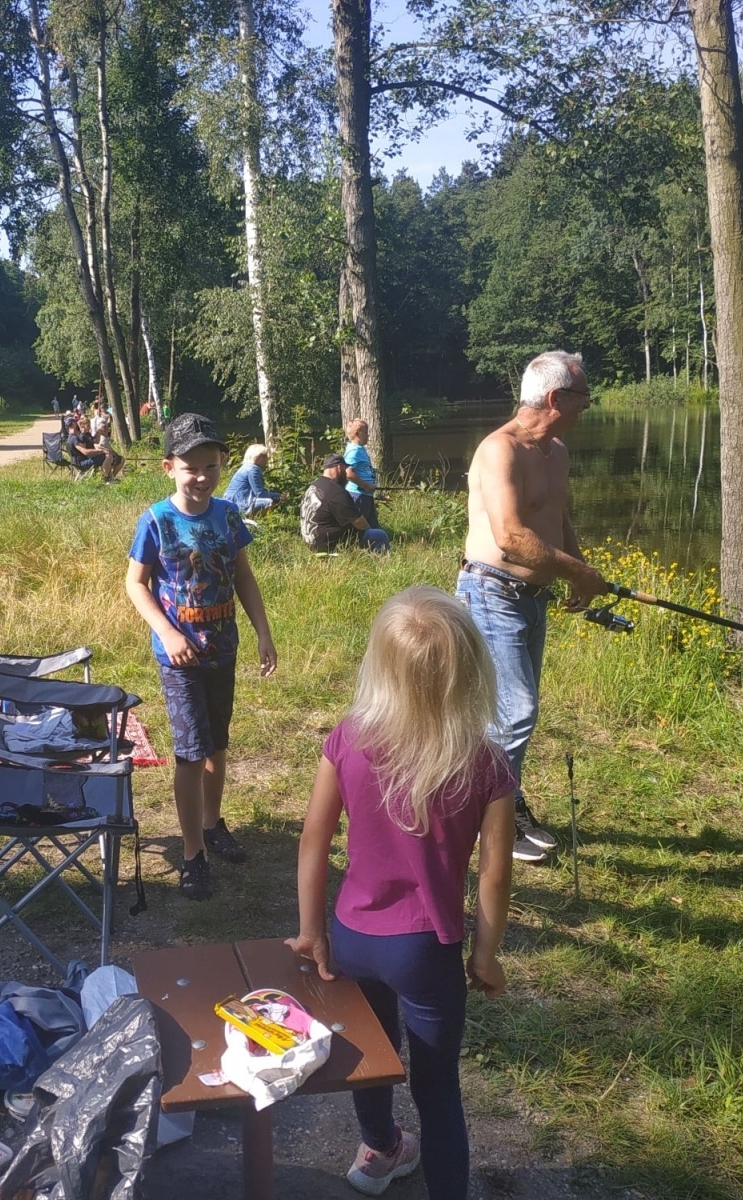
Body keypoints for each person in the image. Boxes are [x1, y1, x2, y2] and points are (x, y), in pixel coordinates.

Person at [288, 586, 515, 1200]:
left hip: (354, 937)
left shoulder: (348, 738)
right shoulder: (485, 762)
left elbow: (313, 841)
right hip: (426, 948)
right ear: (469, 671)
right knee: (437, 1090)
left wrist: (311, 931)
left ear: (378, 666)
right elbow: (494, 873)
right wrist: (485, 956)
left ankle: (380, 1149)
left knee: (372, 1057)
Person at [459, 349, 607, 864]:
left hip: (533, 598)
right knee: (515, 712)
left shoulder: (557, 452)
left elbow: (558, 519)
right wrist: (579, 572)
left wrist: (578, 569)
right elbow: (511, 538)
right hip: (491, 592)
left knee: (506, 714)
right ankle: (488, 819)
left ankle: (505, 802)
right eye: (584, 396)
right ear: (556, 398)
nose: (587, 405)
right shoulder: (499, 450)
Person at [125, 413, 277, 900]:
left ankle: (212, 825)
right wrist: (168, 633)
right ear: (169, 467)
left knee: (217, 746)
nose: (202, 477)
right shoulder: (156, 520)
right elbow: (135, 583)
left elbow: (244, 575)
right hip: (180, 659)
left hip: (223, 649)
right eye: (191, 467)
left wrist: (263, 632)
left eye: (211, 466)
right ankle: (193, 854)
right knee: (190, 753)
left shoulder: (228, 516)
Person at [300, 454, 390, 554]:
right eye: (345, 469)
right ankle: (381, 562)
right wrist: (368, 532)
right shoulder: (336, 491)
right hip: (329, 545)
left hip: (311, 543)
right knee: (378, 535)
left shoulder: (313, 486)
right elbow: (359, 523)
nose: (346, 475)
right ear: (339, 467)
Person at [222, 444, 285, 516]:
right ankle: (250, 518)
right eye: (264, 456)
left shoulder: (246, 467)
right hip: (239, 502)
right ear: (256, 457)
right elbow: (260, 494)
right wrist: (278, 496)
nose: (267, 458)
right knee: (268, 502)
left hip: (232, 500)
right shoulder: (253, 470)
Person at [343, 418, 382, 530]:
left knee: (372, 526)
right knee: (359, 527)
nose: (368, 435)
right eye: (365, 432)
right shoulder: (354, 451)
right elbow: (348, 474)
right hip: (357, 494)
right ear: (357, 434)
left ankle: (375, 539)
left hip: (366, 495)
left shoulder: (361, 449)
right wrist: (366, 486)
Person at [95, 416, 125, 482]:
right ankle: (112, 478)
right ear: (100, 429)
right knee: (121, 459)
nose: (107, 429)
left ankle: (110, 477)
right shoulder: (102, 439)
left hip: (101, 457)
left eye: (107, 427)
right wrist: (117, 455)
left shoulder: (97, 437)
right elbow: (110, 451)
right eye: (104, 428)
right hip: (104, 458)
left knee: (114, 458)